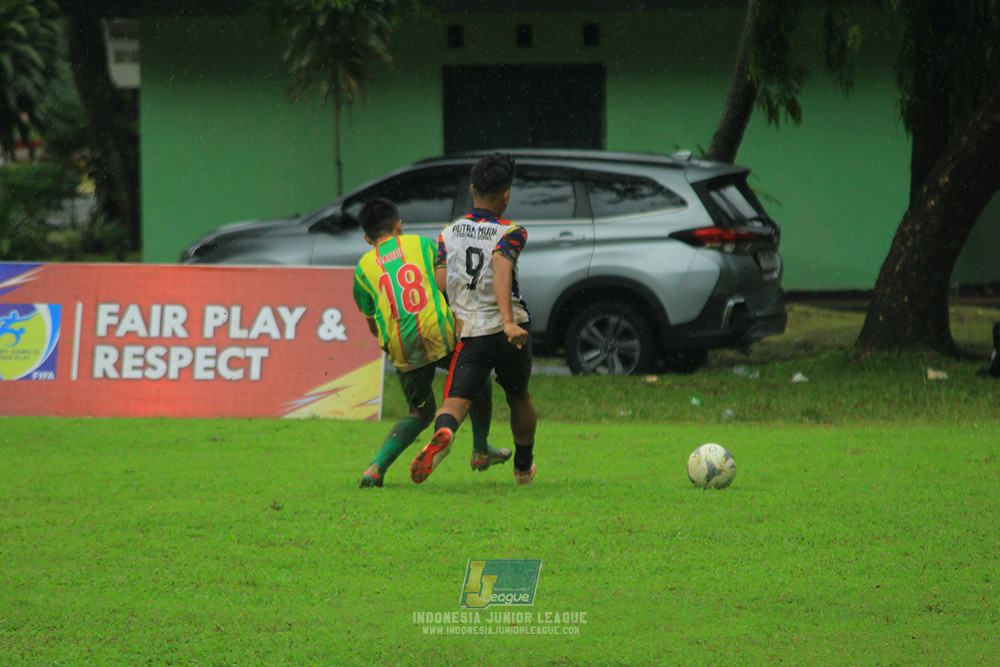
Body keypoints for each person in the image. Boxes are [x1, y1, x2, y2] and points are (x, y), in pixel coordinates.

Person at [352, 198, 510, 488]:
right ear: (398, 226)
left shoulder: (362, 271)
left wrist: (390, 337)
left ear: (366, 238)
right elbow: (445, 283)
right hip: (438, 330)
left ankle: (375, 468)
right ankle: (479, 449)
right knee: (477, 378)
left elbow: (373, 324)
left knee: (419, 413)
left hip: (403, 347)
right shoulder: (422, 245)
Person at [410, 153, 538, 485]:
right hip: (510, 330)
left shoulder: (448, 233)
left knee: (456, 399)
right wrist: (508, 322)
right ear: (506, 195)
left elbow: (440, 282)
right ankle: (523, 469)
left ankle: (445, 435)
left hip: (470, 332)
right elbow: (501, 266)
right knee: (518, 396)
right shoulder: (512, 232)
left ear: (471, 189)